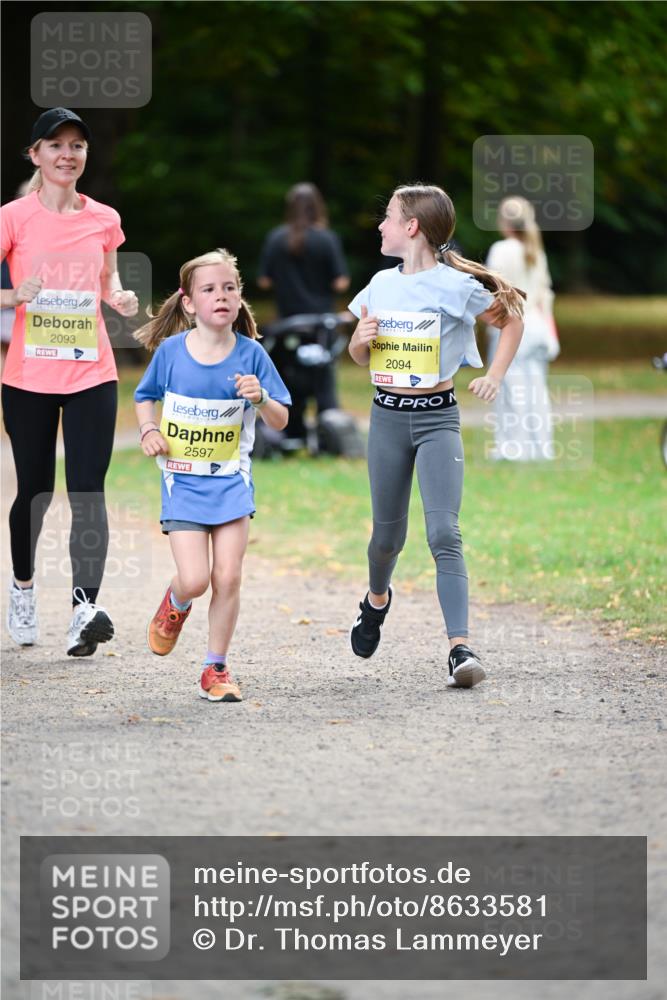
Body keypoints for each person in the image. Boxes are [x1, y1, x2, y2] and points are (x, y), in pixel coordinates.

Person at [347, 183, 524, 688]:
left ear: (411, 228)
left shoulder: (455, 286)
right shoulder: (378, 285)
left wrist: (494, 374)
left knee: (444, 533)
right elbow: (362, 357)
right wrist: (359, 343)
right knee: (386, 539)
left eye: (387, 217)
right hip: (386, 419)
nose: (380, 225)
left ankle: (459, 648)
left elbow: (510, 322)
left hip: (437, 419)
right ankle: (376, 601)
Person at [1, 108, 138, 654]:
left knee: (88, 490)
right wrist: (14, 297)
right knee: (35, 490)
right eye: (55, 145)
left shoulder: (104, 218)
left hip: (91, 372)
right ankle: (23, 589)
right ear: (35, 154)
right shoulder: (12, 217)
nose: (68, 154)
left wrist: (120, 297)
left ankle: (85, 610)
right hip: (30, 375)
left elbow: (109, 280)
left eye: (77, 145)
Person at [134, 249, 291, 703]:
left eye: (229, 288)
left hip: (230, 485)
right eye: (209, 289)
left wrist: (260, 398)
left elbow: (280, 420)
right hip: (182, 483)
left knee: (228, 576)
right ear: (188, 303)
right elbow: (145, 397)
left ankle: (215, 667)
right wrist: (148, 430)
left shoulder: (252, 355)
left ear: (240, 298)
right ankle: (176, 603)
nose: (221, 296)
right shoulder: (170, 353)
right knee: (196, 578)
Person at [257, 182, 349, 444]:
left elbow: (264, 280)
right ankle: (328, 435)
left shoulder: (276, 238)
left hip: (288, 325)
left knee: (287, 377)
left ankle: (292, 430)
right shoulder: (326, 239)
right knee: (322, 381)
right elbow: (340, 281)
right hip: (320, 324)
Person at [485, 196, 560, 461]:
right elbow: (544, 295)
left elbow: (495, 292)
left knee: (509, 388)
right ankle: (541, 447)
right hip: (538, 327)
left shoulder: (500, 249)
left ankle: (513, 448)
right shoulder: (535, 251)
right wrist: (552, 332)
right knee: (536, 388)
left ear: (506, 222)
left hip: (513, 327)